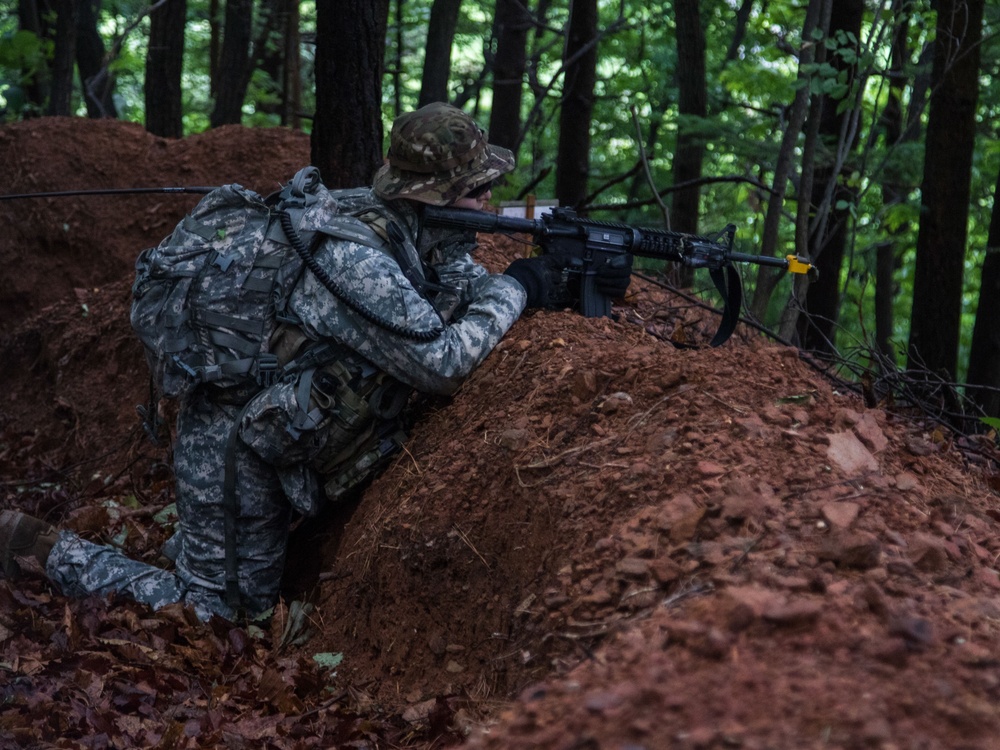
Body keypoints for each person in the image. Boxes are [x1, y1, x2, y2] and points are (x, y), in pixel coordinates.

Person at [0, 102, 631, 622]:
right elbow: (442, 361)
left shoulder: (411, 229)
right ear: (432, 197)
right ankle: (45, 549)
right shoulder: (354, 259)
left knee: (214, 567)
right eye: (476, 194)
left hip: (272, 431)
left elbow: (455, 281)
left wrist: (555, 266)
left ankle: (197, 547)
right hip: (228, 437)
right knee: (219, 614)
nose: (488, 206)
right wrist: (519, 284)